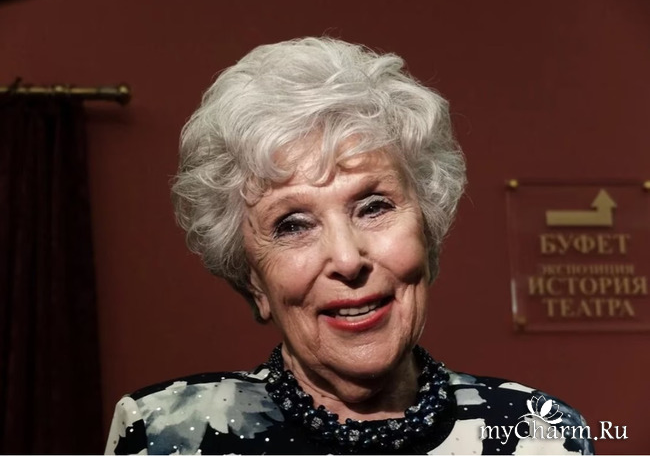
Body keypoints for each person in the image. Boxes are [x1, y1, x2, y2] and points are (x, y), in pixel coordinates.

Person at [105, 37, 593, 455]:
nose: (346, 259)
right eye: (293, 225)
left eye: (374, 207)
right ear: (253, 280)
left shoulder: (542, 434)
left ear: (428, 232)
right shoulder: (164, 435)